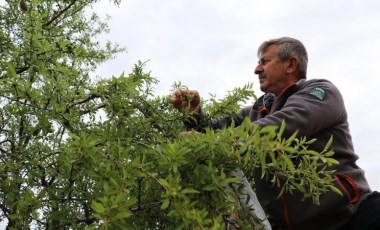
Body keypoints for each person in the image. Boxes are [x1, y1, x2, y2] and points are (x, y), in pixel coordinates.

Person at [169, 37, 380, 230]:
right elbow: (212, 132)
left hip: (355, 217)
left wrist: (214, 141)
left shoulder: (321, 92)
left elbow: (283, 126)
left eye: (265, 61)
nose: (256, 69)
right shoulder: (257, 111)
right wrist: (194, 114)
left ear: (291, 64)